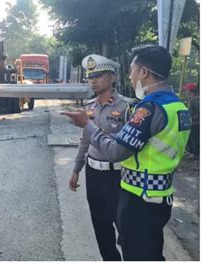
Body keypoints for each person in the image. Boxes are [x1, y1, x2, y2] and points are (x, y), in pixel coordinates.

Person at [61, 44, 191, 261]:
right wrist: (77, 167)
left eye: (132, 70)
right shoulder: (177, 106)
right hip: (157, 192)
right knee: (146, 252)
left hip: (140, 197)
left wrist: (87, 124)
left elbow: (116, 151)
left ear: (144, 72)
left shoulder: (146, 108)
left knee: (138, 254)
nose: (130, 77)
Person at [70, 54, 134, 261]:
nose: (93, 80)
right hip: (93, 173)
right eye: (90, 77)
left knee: (125, 228)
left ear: (113, 77)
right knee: (100, 225)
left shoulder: (127, 107)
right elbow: (85, 141)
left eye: (98, 75)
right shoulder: (89, 107)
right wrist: (76, 170)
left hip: (118, 176)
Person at [184, 83, 199, 157]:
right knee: (192, 138)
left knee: (195, 138)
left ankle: (195, 154)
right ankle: (192, 152)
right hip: (193, 122)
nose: (186, 92)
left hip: (196, 123)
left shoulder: (195, 99)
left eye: (186, 90)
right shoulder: (192, 99)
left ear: (189, 90)